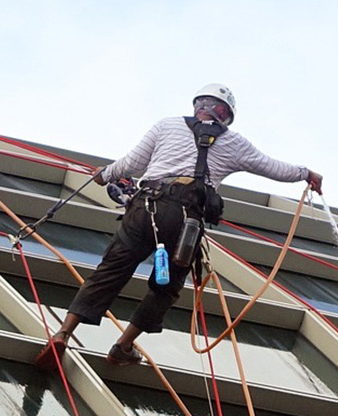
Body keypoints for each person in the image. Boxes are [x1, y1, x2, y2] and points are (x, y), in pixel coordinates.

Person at [41, 84, 323, 366]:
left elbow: (131, 163)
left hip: (146, 208)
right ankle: (123, 345)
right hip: (185, 222)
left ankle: (63, 333)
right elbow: (272, 167)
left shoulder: (168, 126)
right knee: (166, 287)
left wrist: (104, 175)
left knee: (110, 271)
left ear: (197, 106)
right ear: (226, 116)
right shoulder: (234, 143)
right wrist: (306, 173)